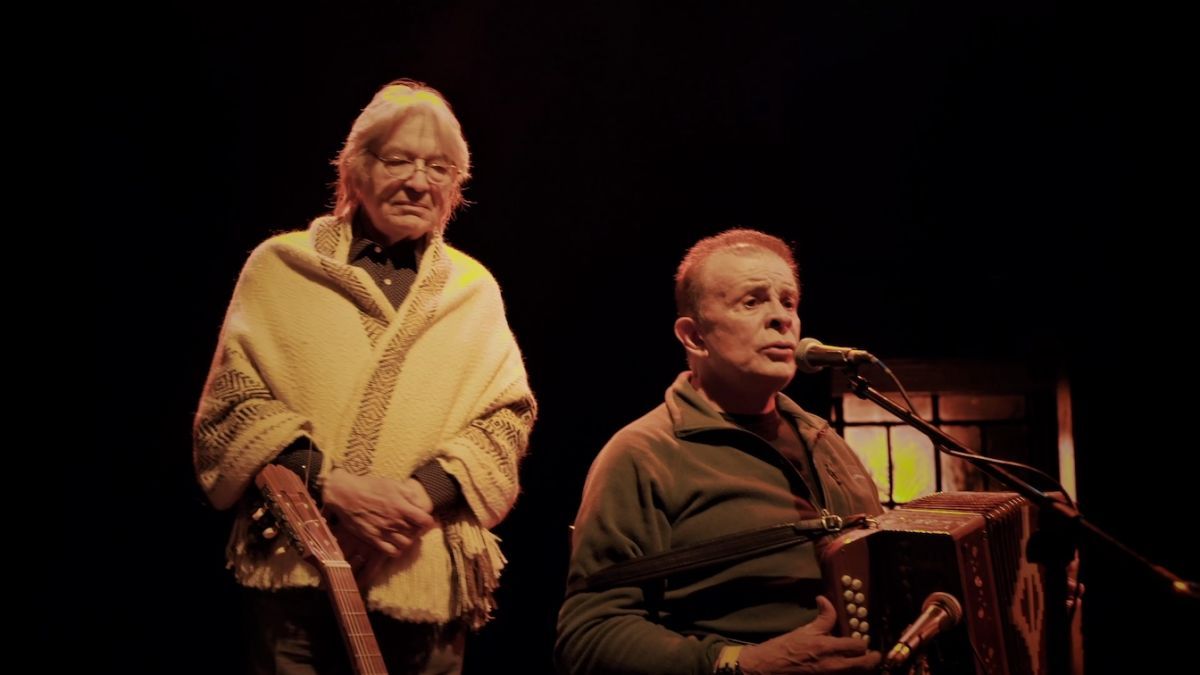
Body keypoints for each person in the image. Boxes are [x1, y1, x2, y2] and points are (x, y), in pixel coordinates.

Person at [193, 79, 536, 675]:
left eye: (439, 168)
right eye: (398, 160)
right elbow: (233, 403)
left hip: (423, 569)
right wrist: (331, 487)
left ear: (456, 187)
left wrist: (417, 497)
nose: (418, 181)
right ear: (354, 170)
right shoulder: (281, 267)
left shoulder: (472, 289)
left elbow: (504, 420)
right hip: (296, 567)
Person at [555, 229, 884, 675]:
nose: (780, 318)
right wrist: (740, 664)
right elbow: (589, 635)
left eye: (788, 302)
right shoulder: (644, 454)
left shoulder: (826, 442)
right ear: (694, 337)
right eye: (752, 302)